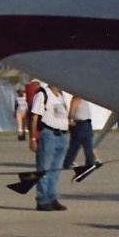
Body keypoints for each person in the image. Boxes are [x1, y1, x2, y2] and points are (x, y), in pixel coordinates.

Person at [29, 82, 71, 211]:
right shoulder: (43, 94)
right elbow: (35, 116)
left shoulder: (61, 96)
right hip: (49, 134)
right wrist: (32, 138)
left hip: (62, 135)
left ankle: (52, 198)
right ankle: (42, 199)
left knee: (56, 170)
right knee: (44, 169)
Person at [62, 94, 100, 179]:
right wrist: (71, 120)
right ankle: (68, 162)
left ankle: (90, 162)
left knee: (88, 145)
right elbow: (72, 111)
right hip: (80, 124)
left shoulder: (84, 100)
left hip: (87, 123)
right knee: (75, 145)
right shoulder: (76, 99)